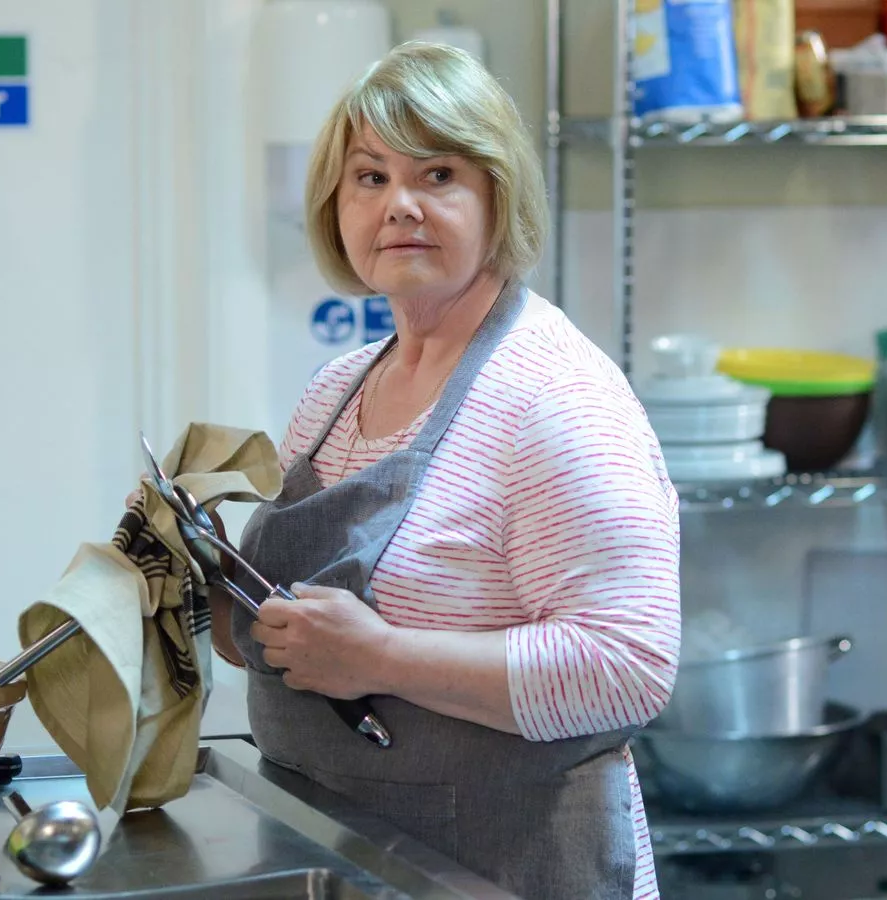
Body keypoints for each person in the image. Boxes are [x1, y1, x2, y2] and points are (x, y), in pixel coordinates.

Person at [217, 42, 678, 900]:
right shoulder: (335, 390)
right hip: (353, 854)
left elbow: (628, 666)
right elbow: (299, 649)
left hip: (514, 867)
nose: (399, 205)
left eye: (438, 176)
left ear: (498, 198)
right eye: (369, 177)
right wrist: (208, 586)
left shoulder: (553, 396)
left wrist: (384, 658)